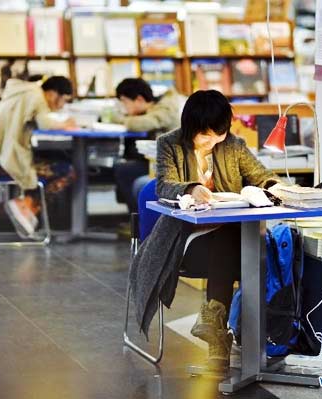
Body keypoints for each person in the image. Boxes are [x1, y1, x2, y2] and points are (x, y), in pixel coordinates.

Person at [128, 90, 283, 372]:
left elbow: (262, 175)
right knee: (243, 246)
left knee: (234, 237)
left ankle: (215, 329)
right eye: (205, 135)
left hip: (228, 240)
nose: (213, 142)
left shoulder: (233, 145)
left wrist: (273, 189)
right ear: (190, 128)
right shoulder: (169, 144)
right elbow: (163, 186)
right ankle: (222, 335)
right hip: (184, 241)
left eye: (219, 135)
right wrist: (191, 188)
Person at [0, 75, 77, 237]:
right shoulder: (37, 96)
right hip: (1, 161)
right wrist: (66, 124)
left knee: (52, 163)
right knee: (67, 170)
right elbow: (45, 124)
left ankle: (27, 207)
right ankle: (25, 205)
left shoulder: (25, 92)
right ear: (53, 94)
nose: (61, 106)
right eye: (63, 100)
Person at [112, 78, 180, 213]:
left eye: (125, 102)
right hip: (156, 161)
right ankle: (136, 219)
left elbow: (145, 123)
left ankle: (137, 220)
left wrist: (119, 119)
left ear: (139, 99)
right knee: (124, 169)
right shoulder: (154, 109)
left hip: (172, 166)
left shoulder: (165, 109)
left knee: (124, 171)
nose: (124, 107)